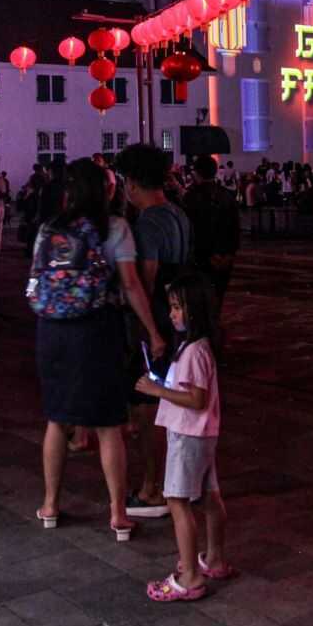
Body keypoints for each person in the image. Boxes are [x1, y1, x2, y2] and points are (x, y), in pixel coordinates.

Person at [32, 159, 167, 542]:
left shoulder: (49, 227)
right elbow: (131, 285)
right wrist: (153, 331)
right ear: (104, 190)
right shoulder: (115, 227)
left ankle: (50, 505)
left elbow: (36, 280)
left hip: (52, 330)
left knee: (57, 419)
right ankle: (118, 514)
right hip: (96, 329)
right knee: (108, 425)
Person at [134, 272, 231, 602]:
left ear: (195, 310)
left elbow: (196, 399)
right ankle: (214, 559)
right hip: (201, 435)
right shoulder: (197, 348)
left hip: (188, 434)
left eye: (178, 307)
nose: (172, 313)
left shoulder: (193, 352)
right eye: (172, 307)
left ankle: (189, 576)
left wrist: (157, 390)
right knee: (209, 496)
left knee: (177, 501)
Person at [114, 143, 193, 520]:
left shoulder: (147, 223)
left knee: (147, 409)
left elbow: (144, 281)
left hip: (155, 325)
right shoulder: (178, 213)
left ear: (131, 183)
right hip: (178, 318)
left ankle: (151, 487)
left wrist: (147, 330)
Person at [181, 155, 240, 312]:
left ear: (196, 173)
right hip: (224, 254)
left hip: (201, 256)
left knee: (200, 302)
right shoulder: (226, 195)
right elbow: (234, 227)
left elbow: (193, 229)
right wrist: (229, 253)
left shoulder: (191, 197)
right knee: (217, 297)